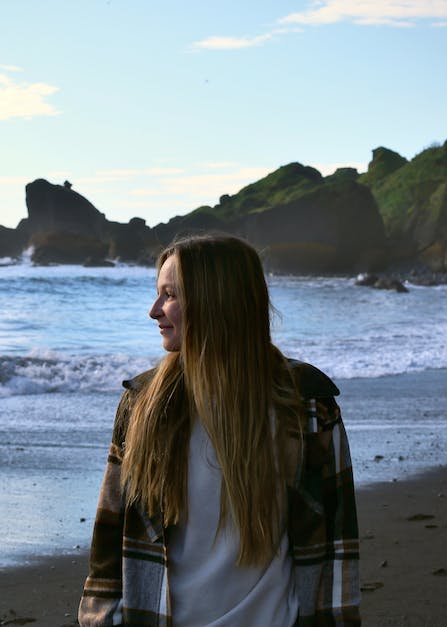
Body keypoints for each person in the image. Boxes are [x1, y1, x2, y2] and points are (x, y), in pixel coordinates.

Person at [79, 234, 361, 626]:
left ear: (216, 301)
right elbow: (108, 546)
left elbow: (337, 546)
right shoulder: (143, 404)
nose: (154, 310)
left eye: (170, 295)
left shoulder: (305, 404)